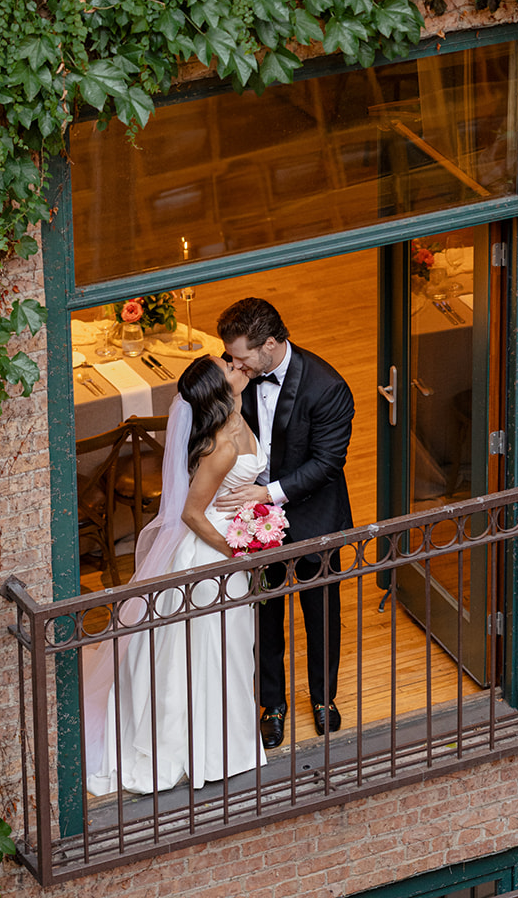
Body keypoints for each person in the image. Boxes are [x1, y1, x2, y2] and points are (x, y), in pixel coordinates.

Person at [84, 353, 266, 795]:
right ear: (218, 392)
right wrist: (236, 553)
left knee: (232, 650)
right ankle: (195, 750)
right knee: (202, 654)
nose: (236, 367)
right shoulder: (221, 446)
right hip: (207, 562)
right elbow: (190, 513)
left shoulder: (241, 420)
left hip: (229, 546)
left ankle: (229, 748)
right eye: (228, 369)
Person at [215, 297, 354, 746]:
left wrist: (268, 494)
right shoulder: (241, 375)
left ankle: (322, 698)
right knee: (265, 615)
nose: (232, 365)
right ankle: (271, 703)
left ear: (271, 344)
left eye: (241, 357)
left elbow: (327, 463)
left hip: (314, 518)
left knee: (321, 613)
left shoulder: (327, 386)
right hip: (253, 523)